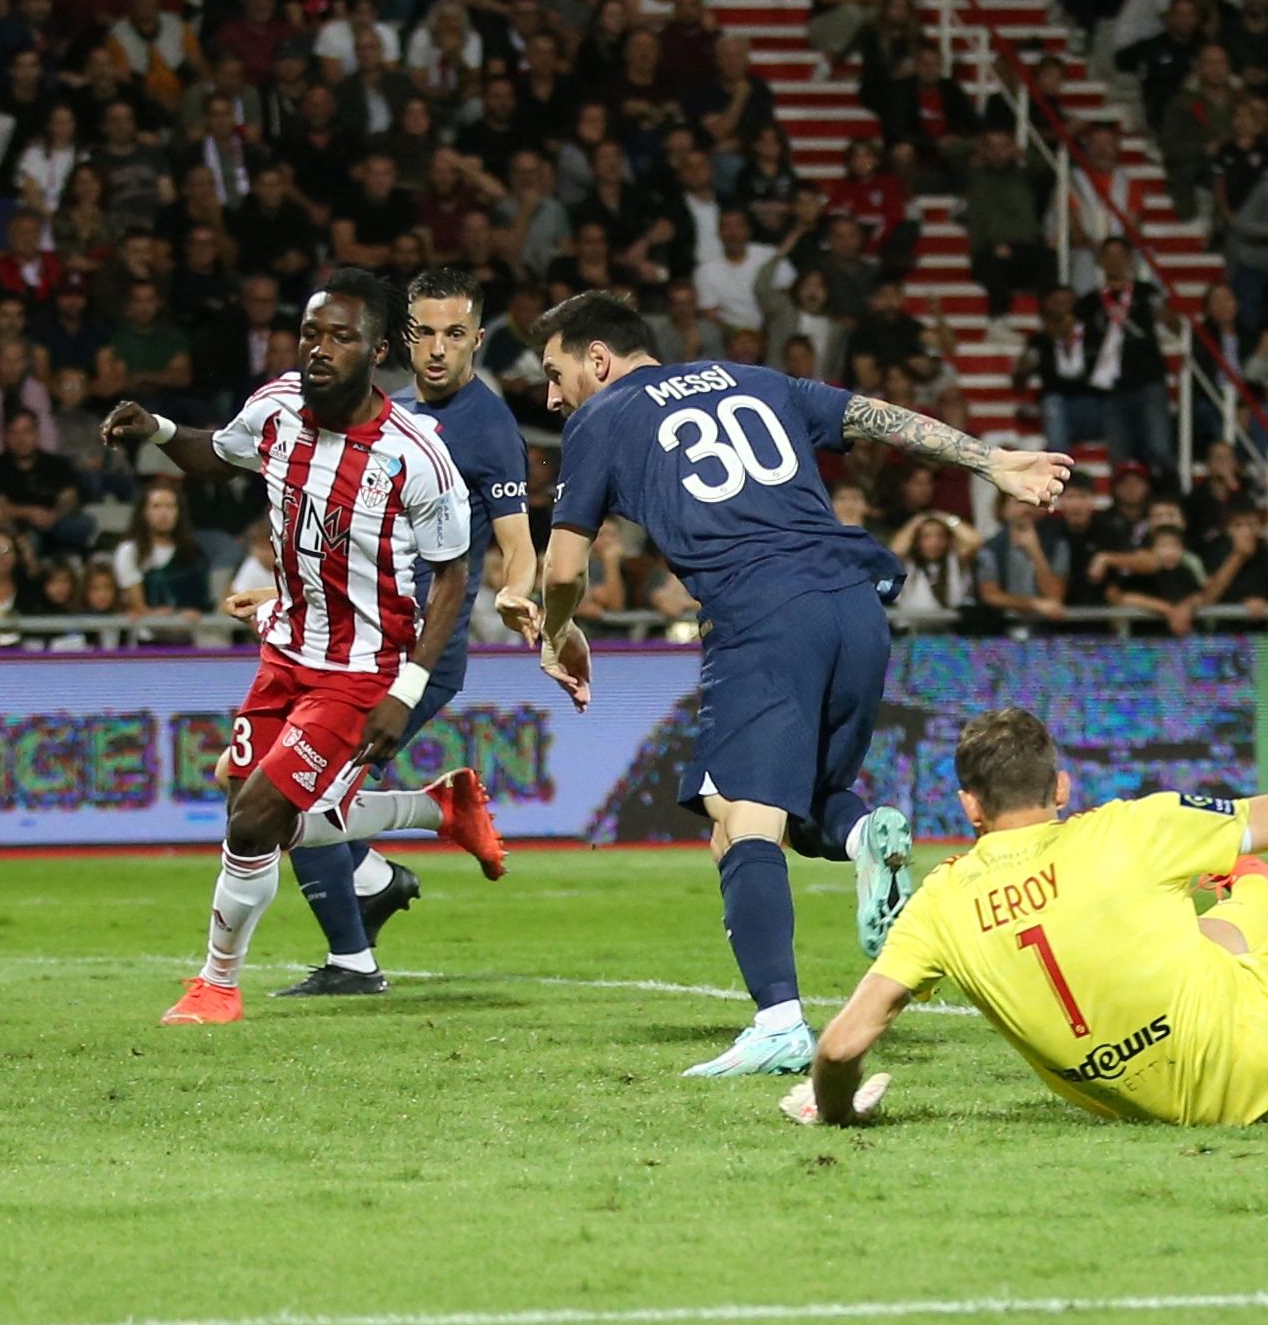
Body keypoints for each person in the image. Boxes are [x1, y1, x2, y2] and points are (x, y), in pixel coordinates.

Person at [523, 289, 1076, 1078]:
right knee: (801, 800)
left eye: (556, 371)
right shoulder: (755, 379)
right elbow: (880, 418)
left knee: (735, 814)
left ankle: (779, 1021)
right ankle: (862, 838)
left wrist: (558, 633)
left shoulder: (600, 419)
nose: (552, 395)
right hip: (855, 608)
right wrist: (993, 461)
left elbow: (565, 563)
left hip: (761, 617)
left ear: (599, 360)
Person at [794, 692, 1268, 1127]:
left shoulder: (939, 902)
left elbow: (839, 1048)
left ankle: (1248, 891)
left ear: (968, 805)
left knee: (1214, 922)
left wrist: (838, 1113)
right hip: (1266, 1055)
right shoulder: (1131, 827)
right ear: (1060, 788)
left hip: (1153, 1106)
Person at [100, 267, 506, 1024]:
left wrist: (405, 692)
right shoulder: (277, 408)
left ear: (378, 349)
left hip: (359, 673)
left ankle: (216, 986)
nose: (319, 349)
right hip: (285, 654)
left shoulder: (414, 454)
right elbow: (218, 454)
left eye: (340, 336)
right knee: (253, 810)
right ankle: (431, 809)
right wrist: (156, 432)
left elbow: (452, 577)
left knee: (254, 818)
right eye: (311, 332)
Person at [282, 262, 541, 997]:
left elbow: (517, 547)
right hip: (353, 640)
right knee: (304, 787)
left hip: (420, 652)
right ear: (402, 338)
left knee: (302, 790)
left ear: (477, 340)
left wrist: (520, 598)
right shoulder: (387, 412)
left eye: (453, 334)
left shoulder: (489, 428)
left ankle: (354, 961)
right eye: (423, 332)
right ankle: (381, 867)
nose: (437, 348)